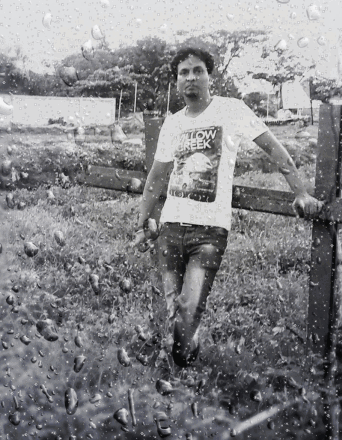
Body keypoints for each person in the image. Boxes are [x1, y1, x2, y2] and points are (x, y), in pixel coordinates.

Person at [134, 46, 323, 368]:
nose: (191, 77)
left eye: (198, 71)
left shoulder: (231, 110)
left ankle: (184, 361)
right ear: (176, 81)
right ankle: (183, 373)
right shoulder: (173, 124)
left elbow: (273, 149)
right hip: (170, 230)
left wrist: (301, 192)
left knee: (187, 313)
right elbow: (156, 176)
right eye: (183, 73)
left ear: (210, 76)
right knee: (174, 312)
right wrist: (141, 223)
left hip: (209, 233)